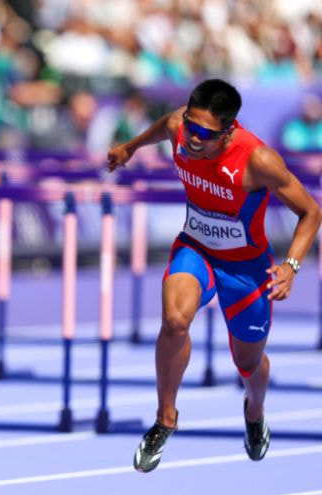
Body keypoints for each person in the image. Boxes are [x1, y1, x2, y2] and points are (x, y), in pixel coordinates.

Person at [107, 79, 321, 473]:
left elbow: (311, 213)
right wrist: (129, 148)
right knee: (174, 320)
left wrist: (290, 267)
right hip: (197, 248)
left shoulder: (259, 160)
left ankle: (254, 411)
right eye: (191, 125)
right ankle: (165, 419)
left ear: (229, 132)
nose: (193, 138)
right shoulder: (178, 127)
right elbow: (165, 125)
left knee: (248, 364)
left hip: (246, 270)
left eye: (206, 134)